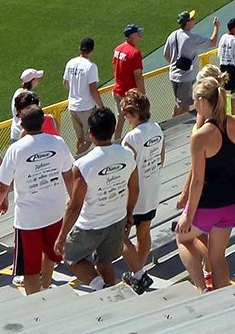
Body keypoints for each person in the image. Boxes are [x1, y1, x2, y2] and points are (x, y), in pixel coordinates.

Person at [0, 105, 76, 294]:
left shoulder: (16, 149)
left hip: (28, 220)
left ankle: (35, 300)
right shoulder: (58, 142)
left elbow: (1, 187)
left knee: (30, 268)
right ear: (43, 121)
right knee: (52, 253)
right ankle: (46, 285)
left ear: (22, 125)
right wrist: (74, 202)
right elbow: (69, 175)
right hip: (55, 212)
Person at [176, 74, 235, 292]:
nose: (194, 104)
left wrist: (188, 215)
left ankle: (201, 288)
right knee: (218, 257)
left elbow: (197, 181)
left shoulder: (200, 136)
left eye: (196, 100)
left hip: (208, 203)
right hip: (232, 199)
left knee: (182, 237)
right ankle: (222, 296)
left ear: (203, 101)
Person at [62, 108, 137, 291]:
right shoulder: (128, 155)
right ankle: (109, 291)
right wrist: (129, 214)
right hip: (117, 219)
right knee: (105, 261)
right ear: (113, 129)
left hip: (91, 224)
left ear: (91, 133)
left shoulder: (82, 165)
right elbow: (134, 187)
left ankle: (101, 287)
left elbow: (75, 205)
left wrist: (62, 235)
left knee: (68, 255)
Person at [119, 90, 162, 294]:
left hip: (133, 195)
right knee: (144, 232)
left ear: (134, 114)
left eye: (126, 114)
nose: (125, 118)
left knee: (121, 236)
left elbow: (125, 170)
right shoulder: (156, 128)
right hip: (152, 190)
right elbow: (161, 157)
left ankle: (138, 273)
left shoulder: (131, 137)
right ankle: (138, 272)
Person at [164, 10, 220, 117]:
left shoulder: (173, 35)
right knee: (184, 107)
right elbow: (212, 42)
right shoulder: (192, 38)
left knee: (179, 103)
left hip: (173, 75)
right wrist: (216, 27)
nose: (194, 21)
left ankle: (172, 119)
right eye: (192, 19)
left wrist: (175, 64)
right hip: (186, 78)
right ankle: (178, 127)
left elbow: (166, 54)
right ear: (187, 22)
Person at [64, 38, 102, 154]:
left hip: (72, 106)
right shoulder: (90, 66)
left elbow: (65, 84)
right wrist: (101, 106)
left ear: (79, 48)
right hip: (86, 108)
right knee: (89, 138)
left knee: (80, 138)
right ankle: (76, 159)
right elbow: (93, 89)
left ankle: (77, 157)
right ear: (92, 51)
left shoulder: (70, 62)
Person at [111, 25, 145, 138]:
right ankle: (138, 140)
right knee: (137, 119)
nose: (140, 36)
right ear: (132, 36)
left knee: (120, 119)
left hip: (117, 90)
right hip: (130, 95)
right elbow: (138, 77)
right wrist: (142, 95)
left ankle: (115, 141)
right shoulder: (134, 53)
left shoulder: (117, 49)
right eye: (138, 34)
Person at [217, 19, 235, 92]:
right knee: (233, 87)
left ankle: (223, 101)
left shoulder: (223, 37)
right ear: (234, 28)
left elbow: (219, 52)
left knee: (223, 86)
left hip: (223, 65)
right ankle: (231, 102)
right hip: (233, 67)